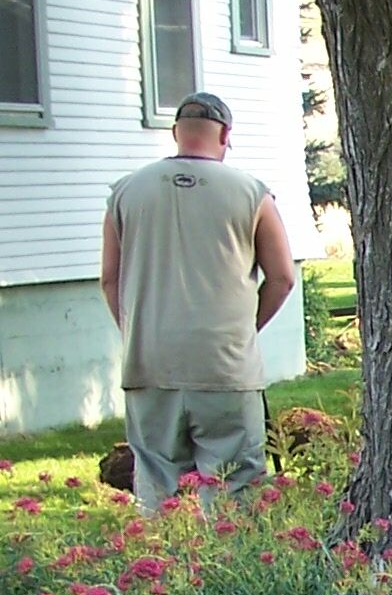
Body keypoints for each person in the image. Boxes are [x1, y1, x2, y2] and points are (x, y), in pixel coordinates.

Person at [100, 92, 295, 510]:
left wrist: (136, 329)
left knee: (156, 486)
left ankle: (161, 569)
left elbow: (109, 279)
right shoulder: (252, 194)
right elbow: (282, 277)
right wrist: (246, 328)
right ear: (225, 134)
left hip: (149, 361)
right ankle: (229, 572)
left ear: (176, 133)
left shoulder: (125, 193)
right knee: (235, 491)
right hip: (225, 365)